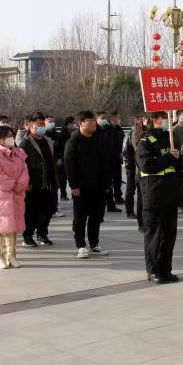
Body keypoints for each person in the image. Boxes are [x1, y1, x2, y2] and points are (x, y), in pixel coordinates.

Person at [136, 111, 181, 283]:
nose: (162, 122)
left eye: (164, 118)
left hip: (170, 191)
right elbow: (147, 165)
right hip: (153, 193)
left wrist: (177, 157)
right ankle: (153, 270)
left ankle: (165, 269)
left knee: (169, 234)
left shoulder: (169, 138)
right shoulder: (145, 142)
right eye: (160, 118)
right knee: (155, 233)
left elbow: (177, 164)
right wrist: (167, 157)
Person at [64, 111, 110, 258]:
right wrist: (74, 186)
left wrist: (106, 183)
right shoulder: (74, 141)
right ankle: (81, 246)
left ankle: (94, 244)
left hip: (98, 185)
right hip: (81, 187)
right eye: (89, 121)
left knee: (96, 216)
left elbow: (104, 162)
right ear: (81, 123)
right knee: (80, 218)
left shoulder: (99, 139)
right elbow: (69, 165)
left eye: (93, 121)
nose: (93, 123)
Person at [0, 125, 29, 269]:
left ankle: (11, 255)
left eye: (11, 135)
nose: (10, 138)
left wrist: (20, 185)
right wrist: (13, 185)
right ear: (0, 138)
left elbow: (24, 170)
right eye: (7, 135)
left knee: (13, 226)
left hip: (15, 194)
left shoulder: (18, 153)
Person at [19, 113, 57, 247]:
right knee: (31, 212)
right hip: (33, 183)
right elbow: (21, 165)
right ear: (29, 126)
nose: (42, 127)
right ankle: (27, 235)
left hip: (48, 182)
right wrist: (26, 182)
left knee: (47, 210)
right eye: (38, 125)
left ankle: (42, 234)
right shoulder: (25, 143)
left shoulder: (48, 141)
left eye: (43, 124)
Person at [123, 115, 145, 221]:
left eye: (141, 121)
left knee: (139, 190)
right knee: (131, 189)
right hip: (132, 166)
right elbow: (138, 149)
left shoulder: (143, 132)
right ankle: (129, 211)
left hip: (138, 166)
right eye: (137, 122)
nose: (140, 123)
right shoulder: (134, 134)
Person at [44, 114, 64, 218]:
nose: (52, 124)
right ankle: (46, 208)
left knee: (55, 187)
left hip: (56, 165)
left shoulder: (58, 135)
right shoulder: (43, 136)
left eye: (53, 122)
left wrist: (60, 158)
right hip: (45, 166)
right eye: (49, 122)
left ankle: (54, 208)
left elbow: (61, 148)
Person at [57, 116, 75, 201]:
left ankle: (73, 192)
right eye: (73, 123)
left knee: (73, 176)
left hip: (72, 158)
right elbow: (60, 147)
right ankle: (63, 194)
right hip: (64, 157)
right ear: (69, 124)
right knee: (63, 178)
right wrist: (60, 158)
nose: (74, 125)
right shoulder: (62, 134)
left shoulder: (73, 132)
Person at [109, 112, 126, 204]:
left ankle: (118, 197)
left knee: (118, 179)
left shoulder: (119, 129)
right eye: (114, 119)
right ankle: (110, 199)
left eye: (117, 119)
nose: (116, 121)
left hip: (117, 158)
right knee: (110, 181)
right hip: (110, 159)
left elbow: (122, 139)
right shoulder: (107, 130)